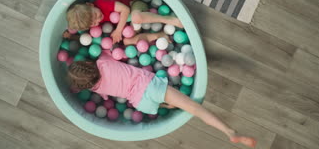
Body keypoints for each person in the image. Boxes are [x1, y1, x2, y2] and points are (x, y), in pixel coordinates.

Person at [67, 50, 256, 147]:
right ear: (87, 63)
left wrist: (76, 87)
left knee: (169, 103)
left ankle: (169, 105)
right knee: (195, 108)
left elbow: (98, 92)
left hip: (140, 103)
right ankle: (229, 131)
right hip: (149, 86)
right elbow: (118, 54)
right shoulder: (102, 61)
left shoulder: (97, 89)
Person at [66, 0, 183, 43]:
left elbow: (125, 10)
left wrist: (118, 31)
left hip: (134, 6)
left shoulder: (103, 3)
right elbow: (89, 38)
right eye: (93, 23)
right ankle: (160, 35)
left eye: (95, 15)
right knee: (127, 41)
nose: (97, 20)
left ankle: (168, 20)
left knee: (136, 18)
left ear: (91, 5)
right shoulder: (93, 21)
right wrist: (72, 37)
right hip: (129, 24)